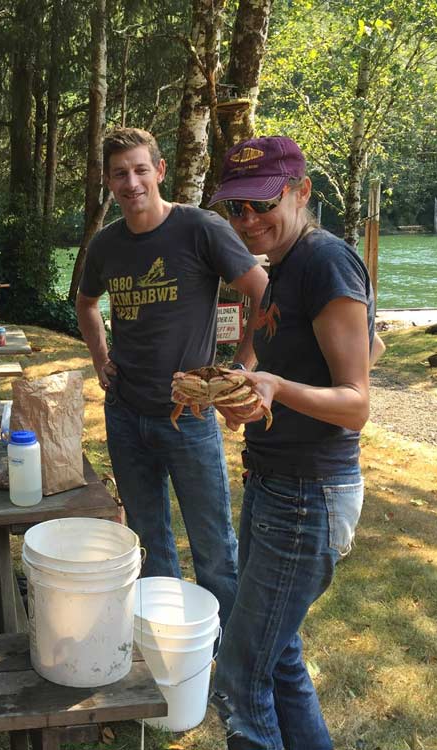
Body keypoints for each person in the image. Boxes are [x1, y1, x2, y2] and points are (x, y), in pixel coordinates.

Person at [203, 135, 382, 749]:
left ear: (302, 192)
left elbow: (355, 403)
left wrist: (277, 385)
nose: (249, 220)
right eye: (237, 209)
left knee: (238, 677)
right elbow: (369, 349)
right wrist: (248, 398)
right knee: (276, 658)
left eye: (262, 203)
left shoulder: (324, 260)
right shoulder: (281, 270)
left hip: (309, 496)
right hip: (273, 483)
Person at [75, 127, 268, 627]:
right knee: (149, 540)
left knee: (213, 546)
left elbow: (262, 291)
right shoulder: (106, 245)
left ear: (160, 171)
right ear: (108, 182)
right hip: (125, 413)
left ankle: (227, 652)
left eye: (141, 169)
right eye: (120, 173)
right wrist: (101, 358)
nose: (131, 182)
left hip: (191, 416)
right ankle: (167, 640)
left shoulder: (199, 229)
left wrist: (243, 367)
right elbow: (86, 302)